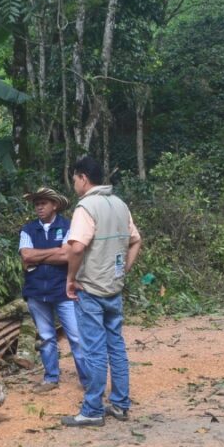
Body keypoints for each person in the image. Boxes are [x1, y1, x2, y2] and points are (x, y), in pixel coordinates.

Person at [61, 157, 142, 427]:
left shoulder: (86, 207)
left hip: (91, 290)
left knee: (94, 350)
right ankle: (120, 404)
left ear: (83, 178)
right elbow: (136, 240)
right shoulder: (119, 204)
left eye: (74, 179)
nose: (74, 184)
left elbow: (76, 248)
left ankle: (93, 409)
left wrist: (71, 278)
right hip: (113, 289)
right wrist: (123, 271)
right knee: (116, 346)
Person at [20, 187, 87, 392]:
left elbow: (68, 256)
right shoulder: (28, 229)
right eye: (37, 204)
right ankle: (51, 378)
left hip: (63, 290)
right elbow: (26, 257)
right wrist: (56, 252)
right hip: (36, 291)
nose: (39, 207)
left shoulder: (68, 227)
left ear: (54, 205)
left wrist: (39, 255)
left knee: (76, 336)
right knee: (46, 336)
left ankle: (87, 380)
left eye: (43, 203)